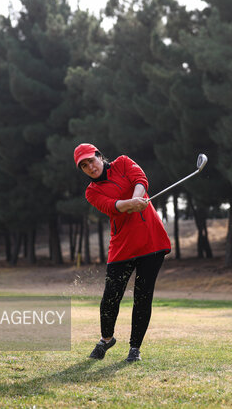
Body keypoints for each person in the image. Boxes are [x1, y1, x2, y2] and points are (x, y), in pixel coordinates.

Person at [74, 143, 171, 362]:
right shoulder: (92, 192)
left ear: (99, 156)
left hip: (151, 241)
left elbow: (140, 179)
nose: (90, 167)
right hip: (123, 246)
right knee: (111, 295)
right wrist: (130, 204)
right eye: (84, 165)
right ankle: (106, 339)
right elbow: (111, 206)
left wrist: (139, 197)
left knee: (143, 296)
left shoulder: (124, 162)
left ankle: (135, 348)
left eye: (91, 160)